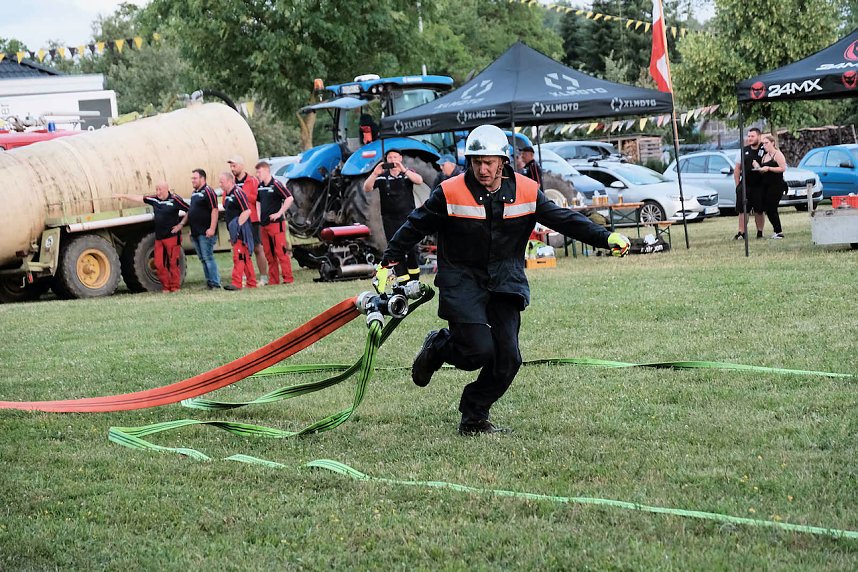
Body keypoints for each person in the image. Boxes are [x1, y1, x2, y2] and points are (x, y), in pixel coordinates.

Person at [378, 124, 630, 436]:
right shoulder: (450, 191)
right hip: (462, 280)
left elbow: (565, 220)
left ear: (503, 162)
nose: (482, 169)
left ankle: (473, 417)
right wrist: (391, 257)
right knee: (477, 352)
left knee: (509, 358)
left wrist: (606, 238)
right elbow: (416, 224)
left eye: (489, 162)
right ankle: (439, 346)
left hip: (505, 281)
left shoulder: (525, 191)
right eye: (476, 162)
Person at [113, 183, 189, 293]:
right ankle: (166, 286)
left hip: (172, 237)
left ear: (166, 189)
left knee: (173, 262)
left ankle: (175, 286)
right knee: (158, 263)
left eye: (160, 190)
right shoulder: (154, 199)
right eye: (156, 190)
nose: (158, 192)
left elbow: (189, 210)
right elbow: (139, 198)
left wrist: (180, 225)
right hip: (159, 238)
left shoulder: (175, 199)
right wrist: (122, 195)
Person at [363, 149, 424, 283]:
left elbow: (419, 180)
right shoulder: (382, 177)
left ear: (401, 158)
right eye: (390, 158)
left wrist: (404, 170)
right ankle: (403, 280)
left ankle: (415, 279)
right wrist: (374, 173)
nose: (393, 160)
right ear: (386, 160)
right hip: (390, 220)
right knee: (395, 248)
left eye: (395, 157)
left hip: (408, 218)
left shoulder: (407, 174)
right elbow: (366, 188)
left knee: (412, 248)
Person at [229, 155, 269, 285]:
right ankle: (246, 276)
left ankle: (264, 276)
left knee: (257, 247)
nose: (232, 168)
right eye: (231, 166)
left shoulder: (252, 181)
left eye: (234, 165)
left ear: (241, 166)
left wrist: (242, 195)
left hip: (252, 219)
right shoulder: (232, 182)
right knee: (242, 248)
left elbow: (257, 198)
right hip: (238, 220)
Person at [255, 160, 295, 285]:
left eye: (259, 171)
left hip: (276, 224)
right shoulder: (260, 186)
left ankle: (288, 279)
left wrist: (279, 213)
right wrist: (259, 215)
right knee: (269, 253)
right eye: (256, 172)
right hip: (264, 225)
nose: (257, 174)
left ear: (267, 171)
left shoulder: (276, 184)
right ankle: (274, 280)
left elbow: (289, 198)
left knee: (281, 252)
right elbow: (258, 201)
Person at [220, 172, 256, 290]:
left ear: (230, 181)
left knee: (239, 256)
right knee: (245, 257)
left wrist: (237, 226)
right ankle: (252, 283)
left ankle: (237, 283)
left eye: (222, 182)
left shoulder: (238, 192)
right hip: (234, 230)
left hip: (241, 230)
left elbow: (247, 211)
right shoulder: (227, 194)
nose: (220, 184)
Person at [187, 168, 222, 289]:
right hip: (196, 232)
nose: (193, 180)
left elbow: (214, 210)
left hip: (205, 232)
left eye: (195, 178)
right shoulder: (194, 193)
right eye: (192, 178)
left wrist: (212, 228)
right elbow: (192, 211)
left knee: (208, 257)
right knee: (202, 258)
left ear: (202, 178)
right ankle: (209, 282)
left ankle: (215, 283)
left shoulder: (208, 191)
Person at [733, 128, 766, 240]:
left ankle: (760, 232)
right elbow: (737, 169)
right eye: (749, 136)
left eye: (752, 136)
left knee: (759, 210)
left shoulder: (765, 149)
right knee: (743, 210)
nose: (750, 138)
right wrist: (738, 185)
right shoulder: (743, 150)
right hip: (745, 185)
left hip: (760, 185)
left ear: (759, 137)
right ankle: (741, 232)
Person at [758, 134, 787, 239]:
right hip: (766, 185)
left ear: (772, 143)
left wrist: (769, 168)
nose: (764, 145)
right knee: (767, 208)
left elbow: (783, 168)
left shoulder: (777, 154)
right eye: (763, 143)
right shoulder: (765, 156)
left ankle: (779, 231)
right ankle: (776, 230)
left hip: (777, 185)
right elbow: (763, 168)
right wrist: (758, 167)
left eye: (766, 143)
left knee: (772, 207)